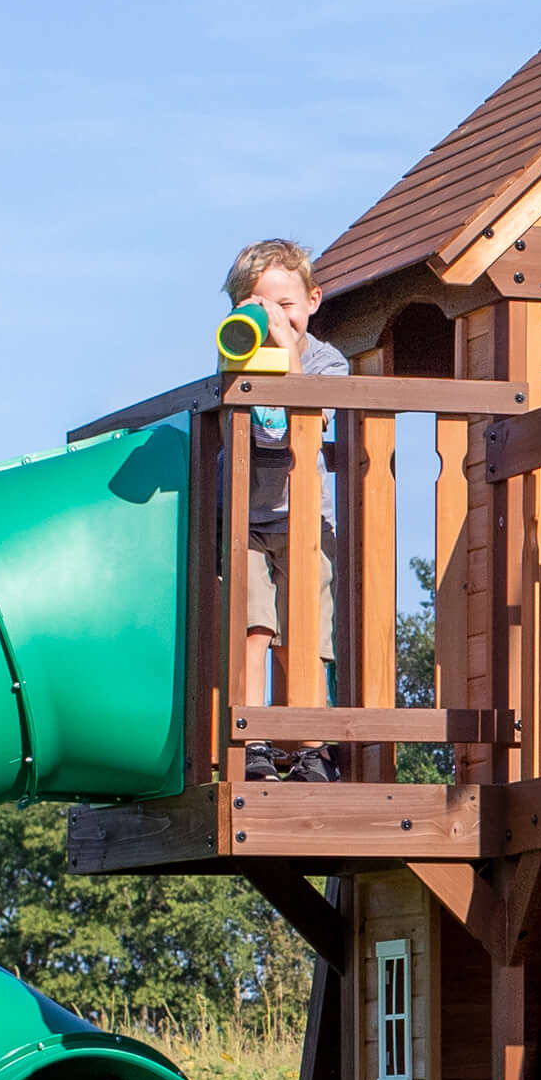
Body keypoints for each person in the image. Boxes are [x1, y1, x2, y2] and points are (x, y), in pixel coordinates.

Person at [226, 237, 349, 783]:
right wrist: (246, 347)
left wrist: (289, 353)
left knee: (304, 634)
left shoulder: (325, 359)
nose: (275, 317)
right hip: (247, 522)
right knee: (253, 627)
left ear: (313, 301)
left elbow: (313, 410)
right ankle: (251, 742)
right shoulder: (236, 353)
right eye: (259, 305)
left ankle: (307, 746)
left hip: (305, 519)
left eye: (286, 305)